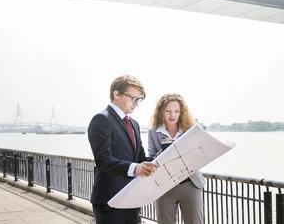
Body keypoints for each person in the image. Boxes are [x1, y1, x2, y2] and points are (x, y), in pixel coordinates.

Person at [88, 75, 159, 224]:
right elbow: (102, 159)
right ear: (117, 94)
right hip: (110, 200)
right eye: (133, 98)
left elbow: (140, 158)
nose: (136, 104)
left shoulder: (134, 124)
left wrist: (164, 157)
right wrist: (135, 168)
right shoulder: (101, 120)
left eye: (139, 99)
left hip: (131, 199)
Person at [148, 93, 205, 224]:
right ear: (161, 112)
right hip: (165, 186)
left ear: (181, 112)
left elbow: (200, 155)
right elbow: (151, 160)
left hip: (190, 183)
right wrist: (165, 149)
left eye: (176, 111)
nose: (172, 115)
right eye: (168, 111)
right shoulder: (153, 132)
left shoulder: (191, 130)